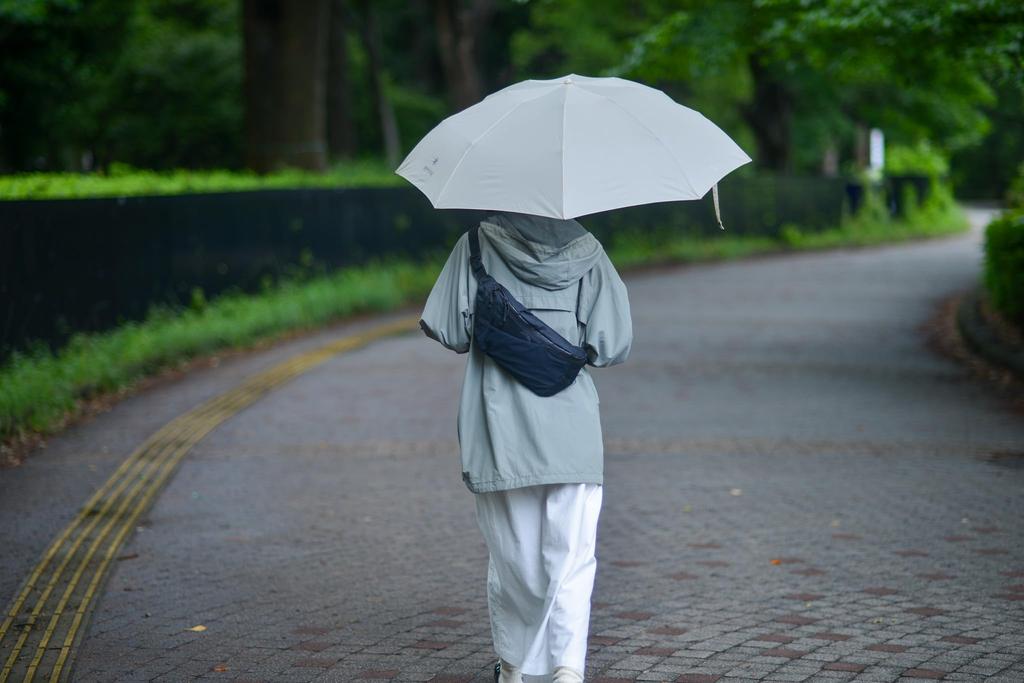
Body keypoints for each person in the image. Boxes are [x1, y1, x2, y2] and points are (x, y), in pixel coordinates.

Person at [418, 210, 633, 682]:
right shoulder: (590, 253)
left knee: (514, 562)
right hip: (571, 433)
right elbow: (612, 344)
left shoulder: (474, 246)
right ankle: (566, 671)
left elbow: (448, 330)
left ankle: (515, 669)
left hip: (499, 430)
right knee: (572, 560)